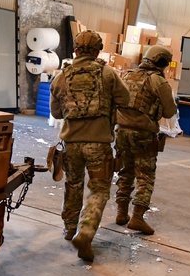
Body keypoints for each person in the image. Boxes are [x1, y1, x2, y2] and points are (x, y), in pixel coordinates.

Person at [50, 31, 130, 262]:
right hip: (98, 144)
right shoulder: (108, 74)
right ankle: (85, 231)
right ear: (97, 51)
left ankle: (69, 228)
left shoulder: (61, 77)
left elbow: (56, 112)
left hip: (71, 144)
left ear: (75, 50)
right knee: (99, 189)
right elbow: (125, 100)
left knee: (73, 184)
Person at [113, 45, 178, 235]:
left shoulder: (126, 75)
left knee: (125, 172)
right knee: (145, 176)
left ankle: (121, 212)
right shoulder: (157, 81)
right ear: (162, 62)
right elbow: (169, 111)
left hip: (122, 132)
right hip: (143, 134)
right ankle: (137, 218)